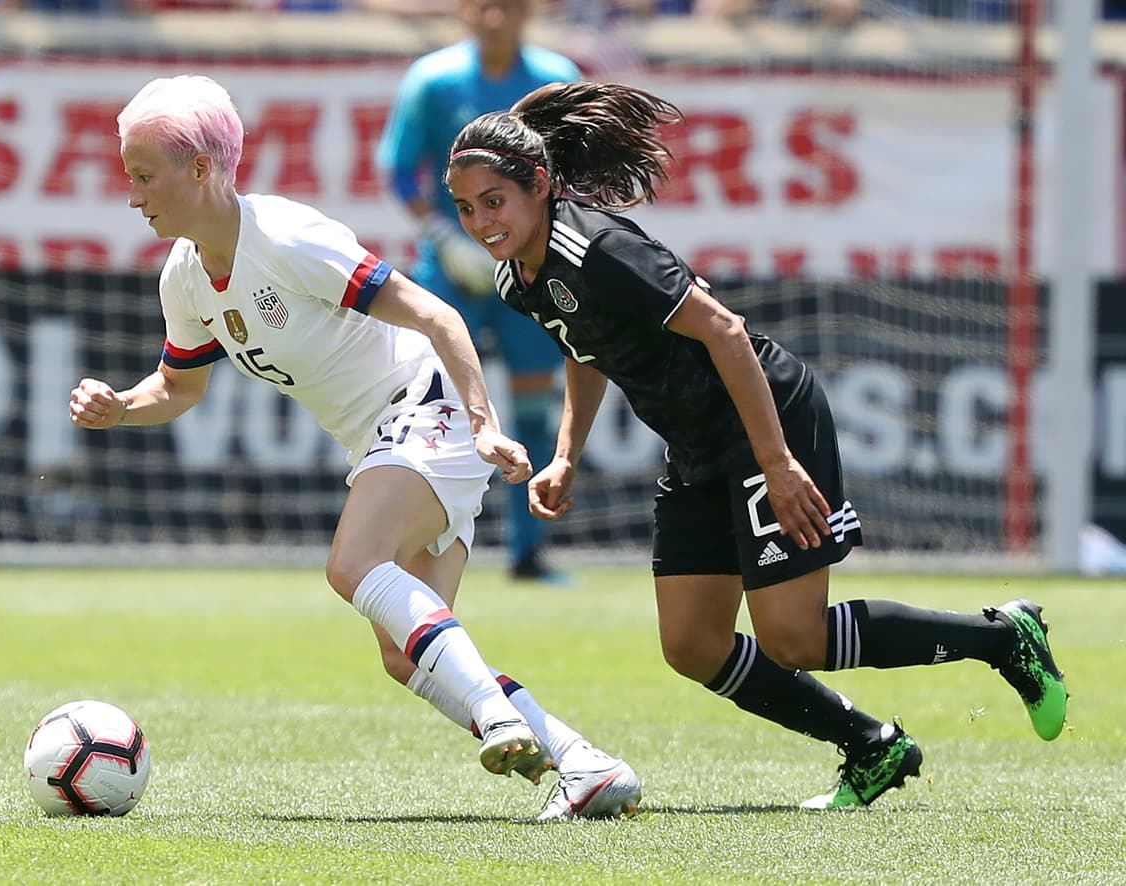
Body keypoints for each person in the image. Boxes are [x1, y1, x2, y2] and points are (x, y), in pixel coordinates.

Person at [444, 81, 1069, 809]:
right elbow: (585, 347)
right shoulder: (520, 272)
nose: (483, 221)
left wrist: (777, 464)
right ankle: (871, 745)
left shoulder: (601, 248)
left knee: (794, 638)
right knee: (693, 644)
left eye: (495, 201)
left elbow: (726, 331)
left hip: (766, 421)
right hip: (697, 445)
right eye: (467, 208)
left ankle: (1003, 639)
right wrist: (567, 453)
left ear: (540, 186)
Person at [67, 74, 639, 822]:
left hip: (426, 413)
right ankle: (585, 766)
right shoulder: (185, 275)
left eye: (144, 176)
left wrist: (484, 422)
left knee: (352, 564)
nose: (134, 195)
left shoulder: (286, 238)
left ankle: (501, 724)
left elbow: (438, 316)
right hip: (388, 439)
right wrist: (119, 408)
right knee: (405, 656)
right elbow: (179, 388)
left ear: (201, 169)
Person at [375, 0, 580, 584]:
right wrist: (446, 234)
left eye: (509, 6)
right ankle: (413, 547)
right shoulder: (433, 80)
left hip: (532, 271)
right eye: (484, 6)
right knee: (432, 404)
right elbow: (398, 169)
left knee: (536, 405)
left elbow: (572, 174)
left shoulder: (553, 79)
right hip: (454, 268)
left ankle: (529, 550)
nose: (496, 17)